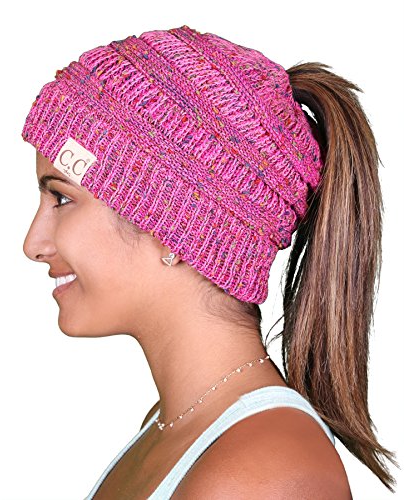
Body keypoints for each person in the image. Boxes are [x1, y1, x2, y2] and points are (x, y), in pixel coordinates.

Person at [21, 24, 397, 499]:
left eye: (61, 198)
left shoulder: (263, 474)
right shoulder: (175, 428)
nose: (33, 244)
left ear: (171, 223)